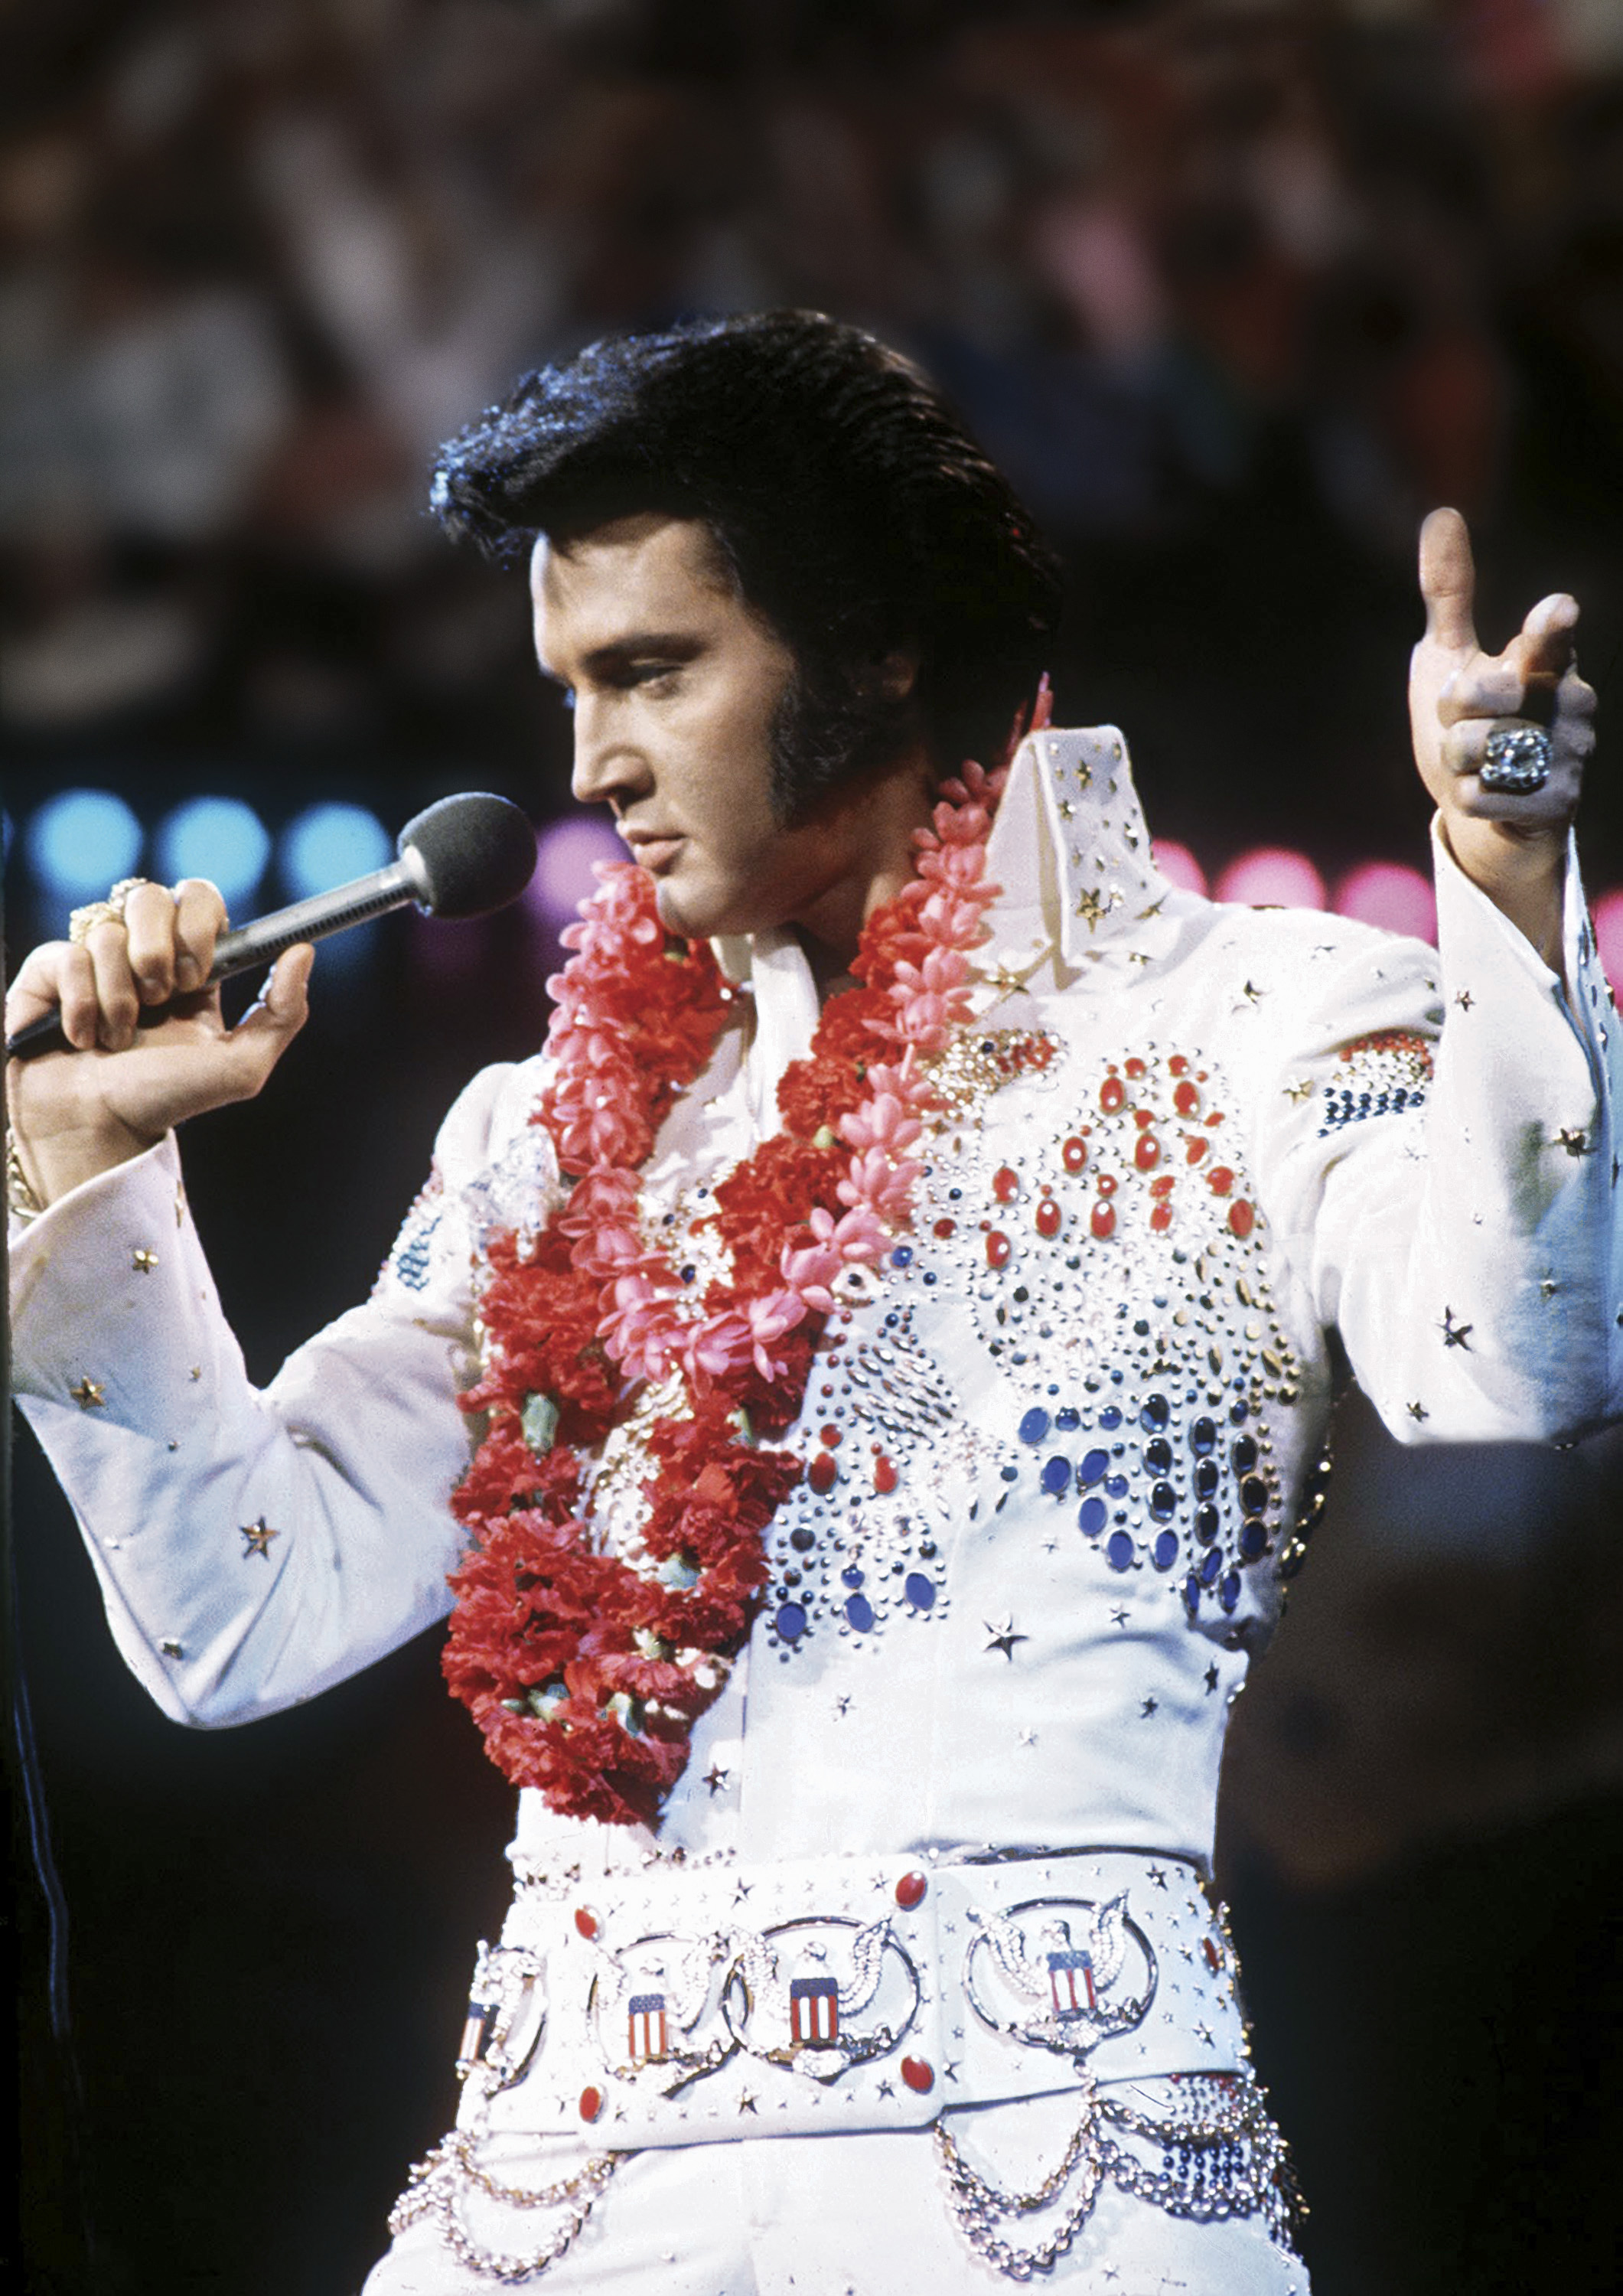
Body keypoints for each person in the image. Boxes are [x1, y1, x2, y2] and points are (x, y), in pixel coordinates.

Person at [7, 312, 1617, 2295]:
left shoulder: (1251, 1018)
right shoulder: (544, 1133)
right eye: (569, 688)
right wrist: (87, 1166)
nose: (589, 762)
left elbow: (1522, 1358)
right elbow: (242, 1616)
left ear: (875, 645)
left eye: (651, 671)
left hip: (1052, 2200)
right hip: (554, 2209)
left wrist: (1504, 890)